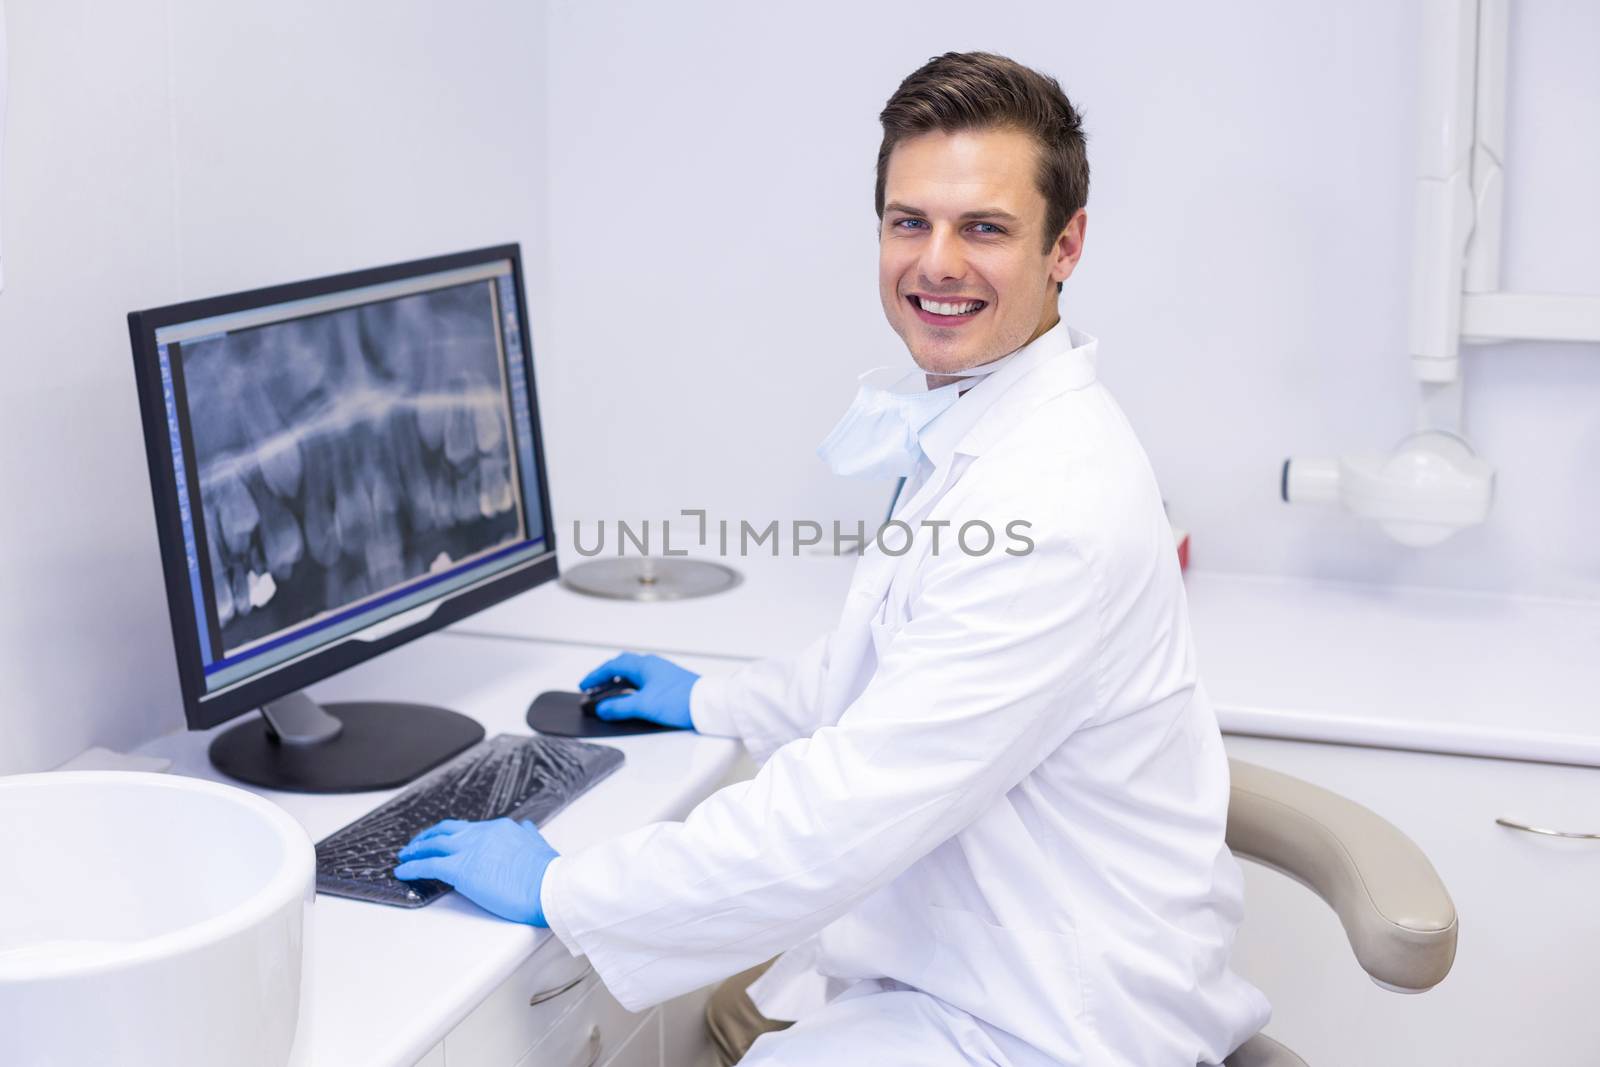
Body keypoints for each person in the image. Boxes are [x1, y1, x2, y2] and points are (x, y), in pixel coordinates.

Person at [395, 51, 1270, 1065]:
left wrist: (562, 885)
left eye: (983, 227)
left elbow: (841, 812)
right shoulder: (986, 423)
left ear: (1064, 244)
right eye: (910, 221)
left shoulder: (1051, 503)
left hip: (1047, 1018)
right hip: (978, 958)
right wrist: (711, 702)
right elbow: (894, 661)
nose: (936, 262)